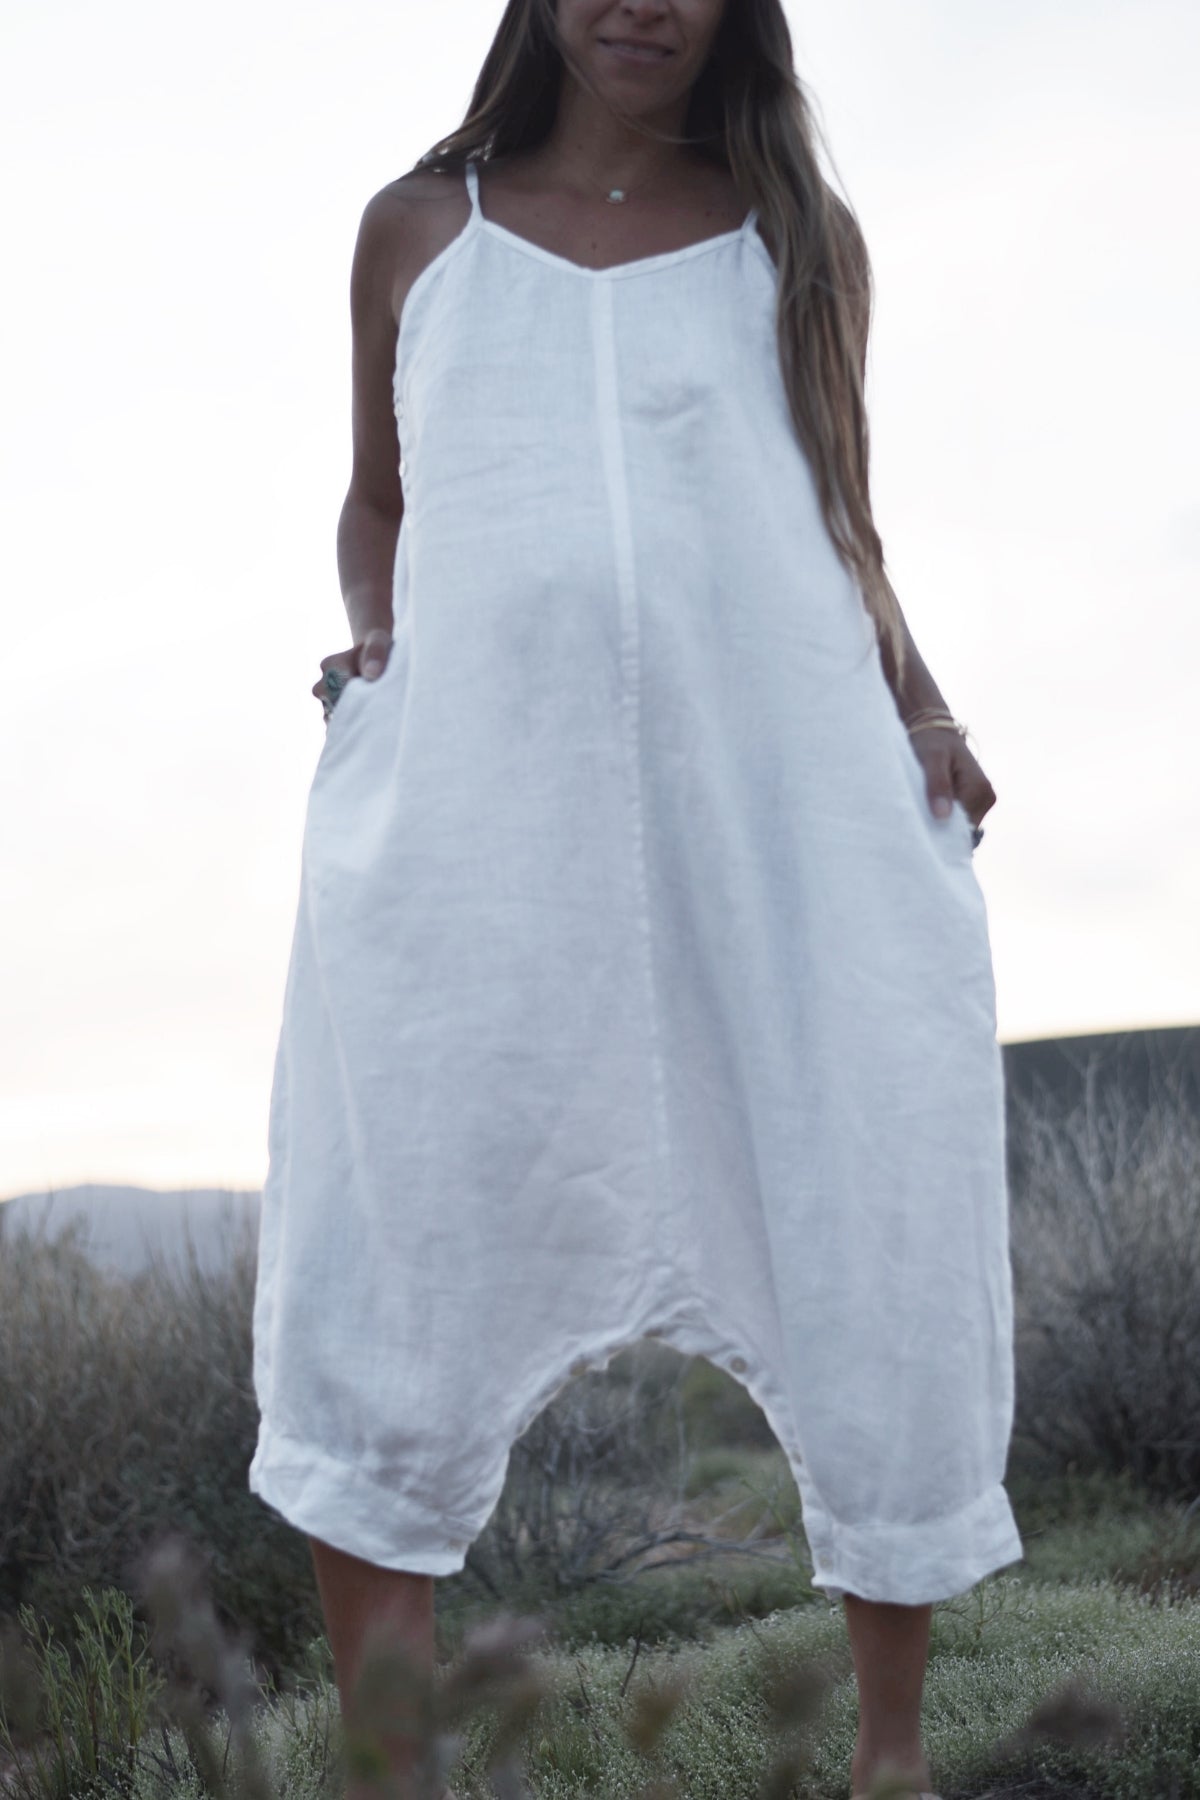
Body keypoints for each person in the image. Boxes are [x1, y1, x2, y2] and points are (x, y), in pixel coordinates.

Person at [247, 3, 1025, 1797]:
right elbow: (377, 503)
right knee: (396, 1243)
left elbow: (842, 506)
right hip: (478, 812)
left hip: (776, 805)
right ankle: (395, 1769)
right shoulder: (416, 230)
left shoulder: (796, 233)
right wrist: (380, 636)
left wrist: (923, 700)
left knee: (857, 1205)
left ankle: (887, 1762)